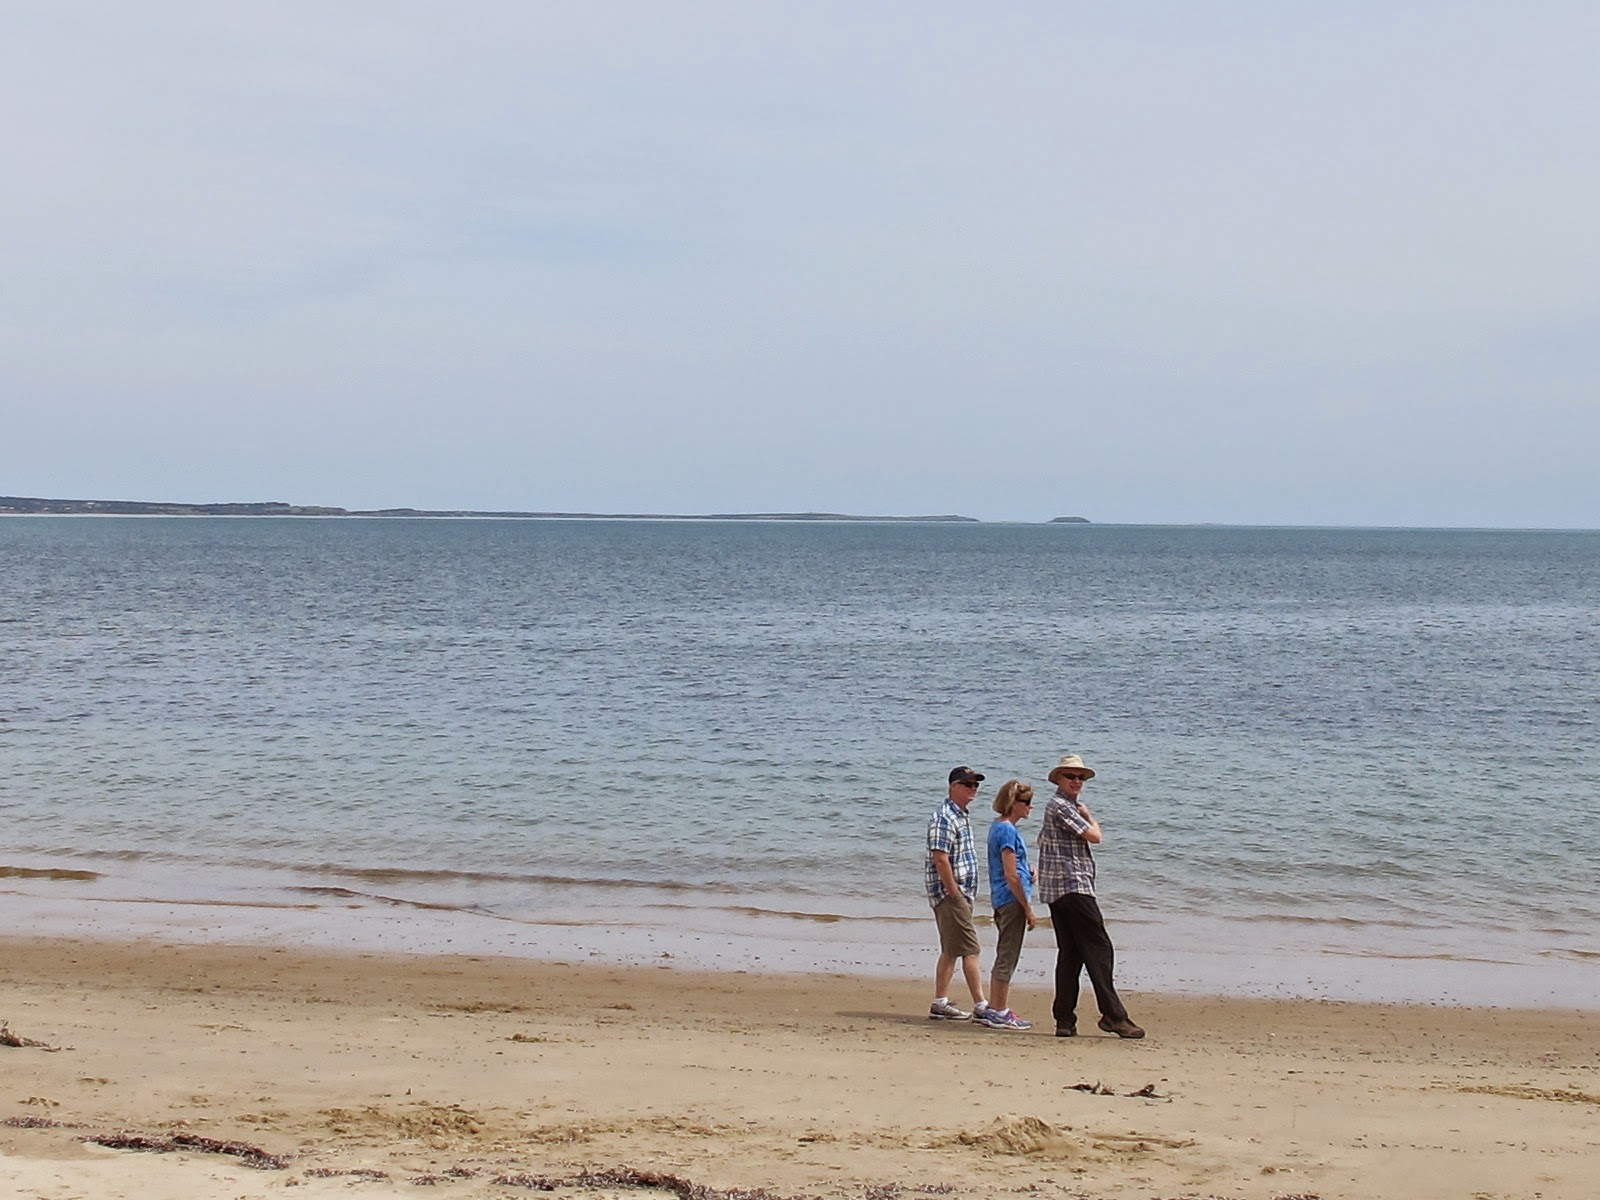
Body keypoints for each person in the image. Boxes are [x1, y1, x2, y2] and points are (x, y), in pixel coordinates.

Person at [1035, 754, 1144, 1039]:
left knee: (1071, 954)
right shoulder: (1061, 806)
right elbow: (1095, 836)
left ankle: (1064, 1019)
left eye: (1080, 777)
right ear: (1059, 779)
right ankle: (1113, 1015)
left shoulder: (1061, 806)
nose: (1076, 781)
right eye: (1070, 776)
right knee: (1099, 949)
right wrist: (1090, 817)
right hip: (1072, 885)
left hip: (1059, 889)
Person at [925, 765, 994, 1022]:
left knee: (951, 948)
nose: (973, 788)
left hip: (961, 892)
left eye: (975, 784)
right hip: (951, 893)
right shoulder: (944, 817)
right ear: (954, 787)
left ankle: (940, 1002)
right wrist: (954, 893)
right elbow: (940, 858)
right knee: (971, 949)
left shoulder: (960, 816)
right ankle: (981, 1004)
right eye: (968, 784)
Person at [978, 779, 1038, 1031]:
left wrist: (1029, 871)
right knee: (1008, 954)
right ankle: (999, 1010)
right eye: (1026, 802)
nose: (1030, 807)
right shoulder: (1007, 831)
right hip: (1011, 900)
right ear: (1014, 803)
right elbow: (1011, 874)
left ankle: (995, 1007)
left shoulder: (1000, 827)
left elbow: (1014, 867)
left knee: (1006, 951)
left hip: (1003, 897)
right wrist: (1028, 908)